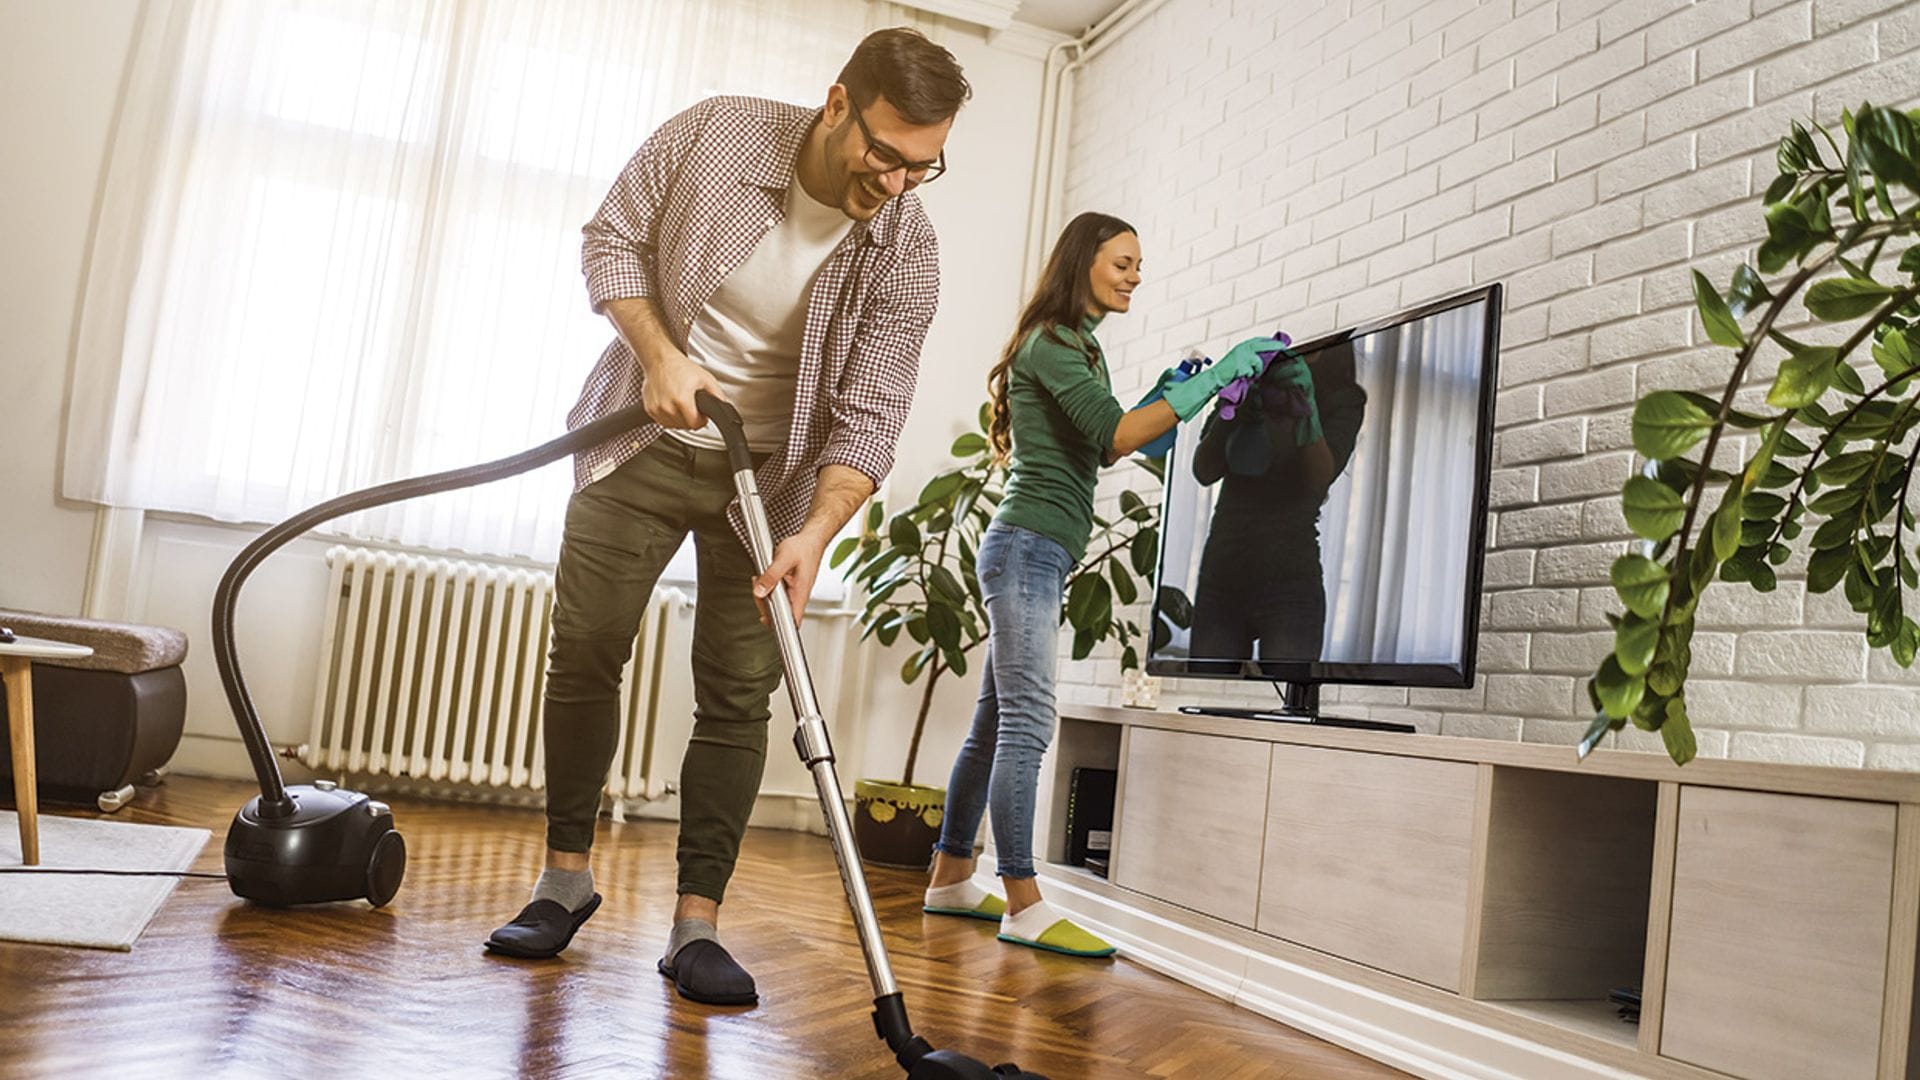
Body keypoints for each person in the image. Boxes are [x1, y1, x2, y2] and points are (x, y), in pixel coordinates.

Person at [484, 29, 970, 1010]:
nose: (902, 181)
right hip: (642, 440)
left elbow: (870, 415)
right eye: (887, 152)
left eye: (927, 164)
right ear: (839, 103)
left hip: (775, 486)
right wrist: (660, 352)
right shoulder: (715, 136)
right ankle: (564, 881)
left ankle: (696, 924)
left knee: (741, 693)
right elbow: (610, 238)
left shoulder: (907, 251)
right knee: (584, 648)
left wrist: (814, 533)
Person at [921, 211, 1275, 957]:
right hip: (1027, 549)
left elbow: (1101, 443)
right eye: (1123, 262)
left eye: (1139, 265)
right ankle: (1022, 901)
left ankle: (952, 878)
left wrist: (1162, 390)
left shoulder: (1078, 347)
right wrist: (1216, 375)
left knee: (994, 725)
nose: (1135, 276)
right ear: (1083, 261)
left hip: (1036, 551)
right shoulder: (1052, 343)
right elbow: (1116, 435)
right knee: (1028, 722)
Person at [1189, 336, 1367, 667]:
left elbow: (1318, 478)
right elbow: (1204, 469)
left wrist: (1307, 413)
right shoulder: (1251, 374)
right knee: (1207, 688)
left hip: (1290, 583)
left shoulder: (1343, 399)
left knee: (1289, 702)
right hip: (1221, 578)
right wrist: (1236, 410)